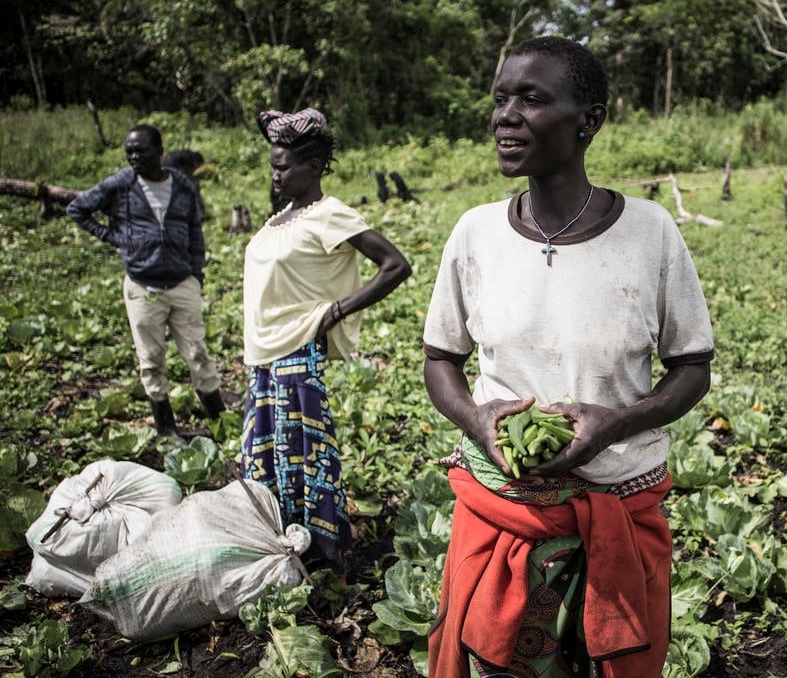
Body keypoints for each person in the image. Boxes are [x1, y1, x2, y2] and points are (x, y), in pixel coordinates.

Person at [421, 36, 714, 678]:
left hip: (617, 502)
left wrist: (617, 423)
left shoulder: (650, 232)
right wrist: (477, 418)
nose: (506, 116)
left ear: (589, 120)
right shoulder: (476, 232)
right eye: (501, 99)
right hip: (504, 508)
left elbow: (692, 367)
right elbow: (440, 358)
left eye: (531, 99)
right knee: (500, 662)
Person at [240, 108, 412, 564]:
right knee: (268, 451)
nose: (275, 175)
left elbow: (395, 265)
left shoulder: (329, 213)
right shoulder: (281, 217)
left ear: (313, 167)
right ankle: (278, 537)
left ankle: (318, 546)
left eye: (283, 167)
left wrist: (336, 311)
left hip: (297, 348)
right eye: (273, 166)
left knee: (301, 451)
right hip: (264, 355)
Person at [67, 124, 225, 440]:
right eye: (129, 151)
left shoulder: (181, 184)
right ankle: (166, 429)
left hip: (182, 282)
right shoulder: (121, 185)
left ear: (160, 152)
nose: (134, 157)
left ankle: (222, 423)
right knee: (151, 360)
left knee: (198, 354)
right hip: (142, 285)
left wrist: (197, 275)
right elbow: (78, 208)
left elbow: (195, 230)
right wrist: (114, 237)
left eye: (141, 151)